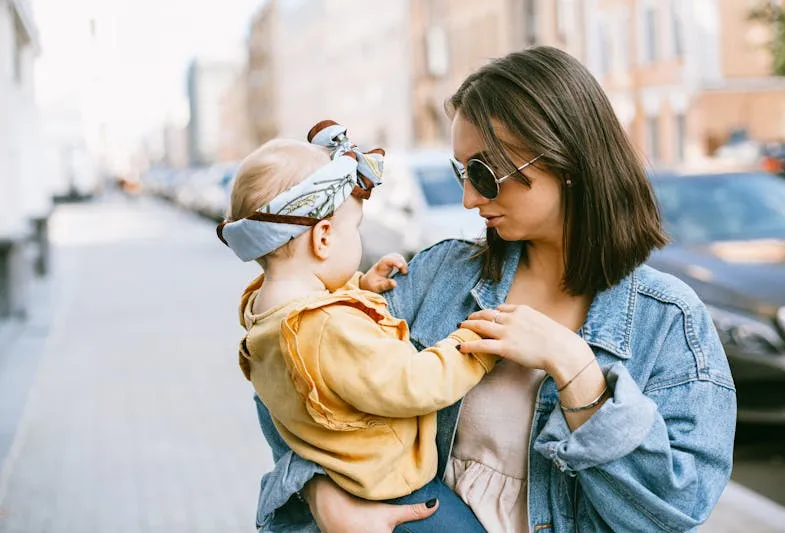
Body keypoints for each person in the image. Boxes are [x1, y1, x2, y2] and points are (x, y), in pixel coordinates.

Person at [251, 46, 737, 533]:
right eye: (462, 173)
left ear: (565, 158)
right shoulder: (440, 274)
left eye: (485, 174)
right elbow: (291, 375)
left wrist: (576, 371)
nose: (468, 198)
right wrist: (324, 495)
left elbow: (671, 512)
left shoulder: (669, 319)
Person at [217, 120, 498, 533]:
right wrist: (474, 343)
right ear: (324, 238)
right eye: (356, 228)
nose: (359, 239)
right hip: (390, 491)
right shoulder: (328, 327)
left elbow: (317, 347)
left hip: (340, 481)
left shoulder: (267, 312)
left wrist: (358, 288)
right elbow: (412, 383)